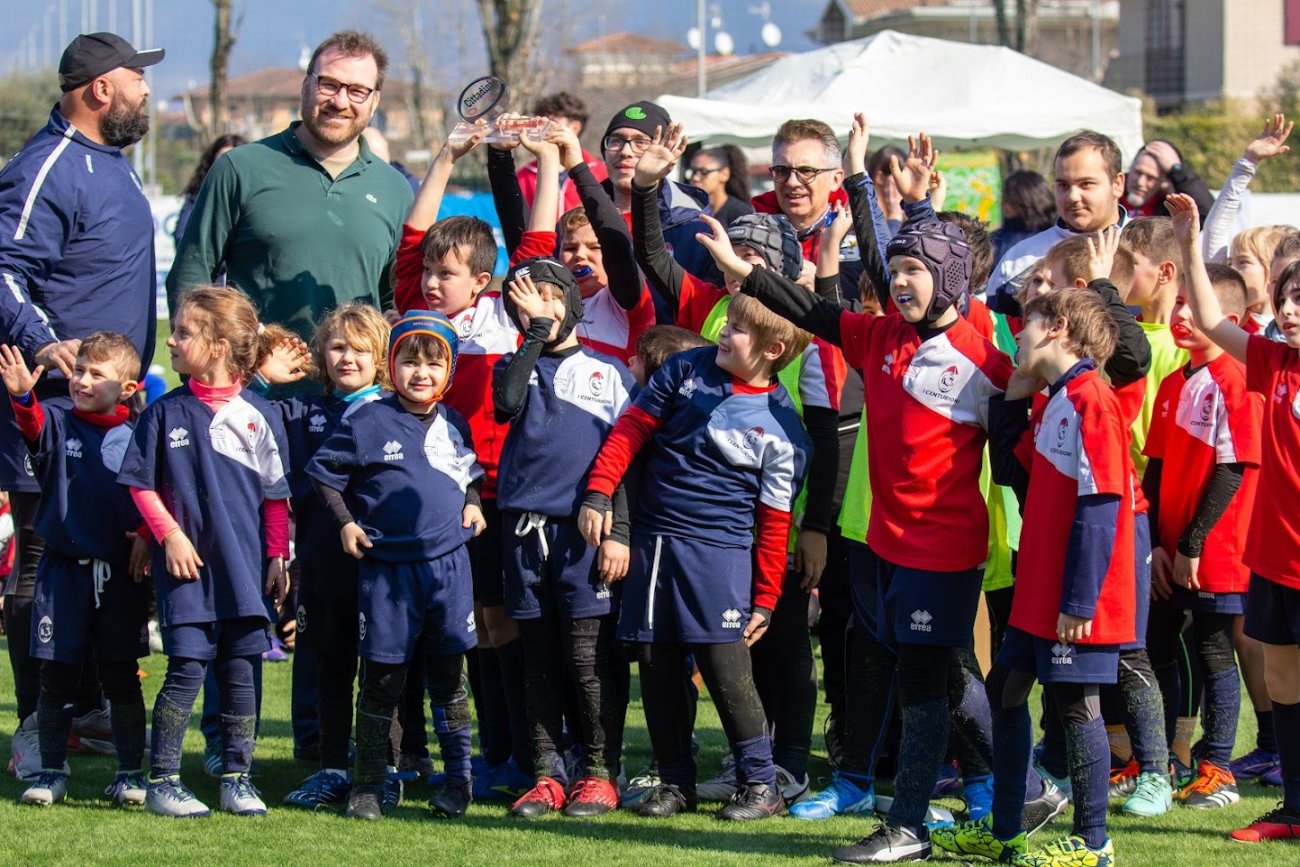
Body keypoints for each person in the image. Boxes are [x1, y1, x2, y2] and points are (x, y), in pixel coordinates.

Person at [725, 134, 1016, 863]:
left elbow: (1020, 460)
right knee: (941, 672)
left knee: (928, 682)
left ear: (949, 281)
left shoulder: (984, 359)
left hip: (942, 552)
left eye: (918, 271)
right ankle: (1022, 782)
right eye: (900, 270)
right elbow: (820, 312)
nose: (903, 282)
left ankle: (910, 824)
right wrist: (747, 275)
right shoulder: (882, 335)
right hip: (881, 544)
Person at [631, 125, 845, 805]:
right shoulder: (710, 308)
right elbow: (650, 251)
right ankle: (702, 771)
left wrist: (816, 524)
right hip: (696, 520)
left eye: (750, 255)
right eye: (730, 250)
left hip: (771, 510)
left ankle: (781, 765)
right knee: (700, 653)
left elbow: (829, 429)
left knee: (776, 642)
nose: (732, 260)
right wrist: (645, 188)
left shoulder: (799, 330)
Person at [579, 290, 810, 822]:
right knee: (656, 664)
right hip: (655, 544)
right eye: (727, 323)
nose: (723, 333)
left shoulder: (785, 430)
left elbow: (775, 525)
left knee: (726, 666)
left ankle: (759, 783)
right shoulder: (685, 368)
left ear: (773, 348)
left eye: (738, 330)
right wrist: (599, 490)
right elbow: (631, 431)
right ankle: (675, 780)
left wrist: (767, 596)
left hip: (719, 554)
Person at [0, 31, 163, 771]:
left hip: (109, 420)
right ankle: (41, 721)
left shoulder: (113, 164)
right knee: (41, 564)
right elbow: (2, 267)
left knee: (96, 563)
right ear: (100, 89)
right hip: (51, 416)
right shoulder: (50, 166)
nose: (147, 91)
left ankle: (88, 710)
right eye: (137, 78)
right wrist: (40, 340)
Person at [936, 287, 1133, 867]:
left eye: (1025, 324)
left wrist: (1079, 599)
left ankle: (1095, 844)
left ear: (1058, 327)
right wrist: (1011, 398)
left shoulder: (1093, 397)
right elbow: (1009, 472)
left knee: (1077, 707)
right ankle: (1003, 832)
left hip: (1076, 593)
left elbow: (1102, 507)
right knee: (1005, 692)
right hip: (1039, 586)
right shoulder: (1059, 399)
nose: (1015, 334)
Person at [391, 129, 534, 801]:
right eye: (428, 274)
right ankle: (477, 752)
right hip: (442, 497)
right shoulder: (418, 319)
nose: (429, 280)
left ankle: (511, 751)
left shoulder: (506, 318)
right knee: (469, 625)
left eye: (445, 274)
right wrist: (445, 155)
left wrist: (557, 161)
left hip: (500, 493)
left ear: (481, 279)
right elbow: (412, 242)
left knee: (500, 621)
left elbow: (535, 250)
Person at [117, 287, 291, 819]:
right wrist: (168, 535)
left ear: (217, 346)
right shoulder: (164, 412)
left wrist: (278, 557)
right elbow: (140, 486)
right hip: (187, 572)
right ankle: (164, 781)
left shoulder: (261, 413)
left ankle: (237, 777)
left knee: (240, 674)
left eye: (183, 333)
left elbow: (276, 496)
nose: (170, 339)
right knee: (187, 671)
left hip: (244, 572)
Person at [307, 311, 484, 821]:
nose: (421, 373)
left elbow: (465, 472)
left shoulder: (454, 422)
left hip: (449, 570)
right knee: (382, 679)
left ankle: (457, 784)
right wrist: (344, 522)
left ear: (449, 372)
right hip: (388, 573)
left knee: (450, 679)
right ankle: (368, 784)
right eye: (409, 360)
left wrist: (472, 501)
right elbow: (324, 475)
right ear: (392, 365)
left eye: (434, 364)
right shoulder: (365, 420)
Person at [1165, 192, 1300, 844]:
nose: (1292, 310)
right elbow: (1215, 320)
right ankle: (1293, 807)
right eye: (1287, 298)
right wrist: (1190, 241)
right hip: (1272, 556)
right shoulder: (1273, 363)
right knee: (1279, 678)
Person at [493, 261, 634, 818]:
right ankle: (547, 775)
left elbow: (626, 461)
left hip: (586, 534)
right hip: (524, 534)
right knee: (539, 660)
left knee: (588, 658)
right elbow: (505, 404)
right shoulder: (517, 366)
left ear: (573, 305)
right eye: (529, 301)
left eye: (551, 297)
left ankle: (599, 772)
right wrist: (532, 333)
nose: (542, 307)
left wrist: (619, 532)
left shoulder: (609, 373)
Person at [167, 30, 414, 341]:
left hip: (356, 387)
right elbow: (193, 273)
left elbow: (396, 296)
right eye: (329, 84)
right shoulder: (240, 168)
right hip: (255, 386)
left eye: (357, 91)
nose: (340, 101)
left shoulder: (394, 188)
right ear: (305, 85)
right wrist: (204, 360)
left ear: (375, 101)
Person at [0, 334, 148, 807]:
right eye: (78, 369)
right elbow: (32, 424)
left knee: (121, 676)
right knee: (57, 675)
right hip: (63, 573)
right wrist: (23, 395)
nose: (81, 380)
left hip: (122, 576)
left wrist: (147, 532)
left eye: (95, 374)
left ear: (126, 388)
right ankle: (49, 772)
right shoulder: (59, 420)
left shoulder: (144, 431)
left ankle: (129, 773)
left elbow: (160, 489)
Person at [260, 302, 389, 811]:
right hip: (320, 566)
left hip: (383, 569)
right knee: (330, 668)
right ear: (320, 355)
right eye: (337, 347)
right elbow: (241, 415)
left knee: (384, 670)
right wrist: (266, 382)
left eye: (361, 349)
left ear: (381, 357)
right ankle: (331, 765)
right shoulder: (304, 412)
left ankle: (386, 768)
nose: (348, 358)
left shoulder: (399, 413)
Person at [1143, 263, 1260, 810]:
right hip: (1170, 550)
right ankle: (1166, 758)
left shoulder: (1236, 379)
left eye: (1196, 305)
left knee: (1214, 649)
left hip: (1215, 549)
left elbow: (1233, 471)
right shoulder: (1172, 382)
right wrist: (1156, 544)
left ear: (1228, 319)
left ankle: (1219, 766)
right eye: (1180, 302)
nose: (1182, 315)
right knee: (1158, 644)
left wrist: (1192, 543)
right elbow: (1156, 471)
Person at [988, 132, 1128, 309]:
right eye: (1063, 185)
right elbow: (995, 331)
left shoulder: (1150, 249)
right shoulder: (1018, 260)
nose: (1073, 196)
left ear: (1118, 184)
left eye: (1086, 184)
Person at [600, 101, 719, 289]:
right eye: (616, 140)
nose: (625, 152)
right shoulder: (583, 216)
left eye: (640, 142)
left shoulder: (694, 226)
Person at [516, 91, 607, 217]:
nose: (540, 129)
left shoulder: (602, 172)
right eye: (538, 124)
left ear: (575, 128)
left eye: (550, 123)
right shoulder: (524, 176)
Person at [173, 134, 247, 248]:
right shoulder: (198, 196)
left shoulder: (256, 196)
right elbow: (182, 236)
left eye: (234, 157)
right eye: (223, 157)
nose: (229, 164)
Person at [1125, 139, 1213, 220]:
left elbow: (1208, 214)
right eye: (1138, 172)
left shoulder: (1168, 212)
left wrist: (1177, 171)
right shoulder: (1114, 192)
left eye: (1151, 177)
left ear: (1164, 181)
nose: (1140, 182)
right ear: (1131, 166)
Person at [991, 170, 1057, 263]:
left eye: (1009, 199)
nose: (1004, 204)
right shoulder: (998, 239)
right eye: (1004, 199)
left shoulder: (1057, 235)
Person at [686, 145, 753, 228]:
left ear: (724, 174)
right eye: (693, 171)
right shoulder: (686, 210)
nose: (695, 178)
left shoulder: (742, 215)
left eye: (704, 172)